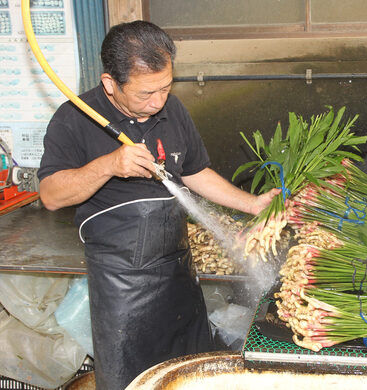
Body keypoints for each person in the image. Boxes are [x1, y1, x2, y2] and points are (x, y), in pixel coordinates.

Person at [37, 21, 280, 390]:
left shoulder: (172, 110)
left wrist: (252, 204)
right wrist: (108, 165)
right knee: (132, 381)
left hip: (178, 275)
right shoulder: (74, 119)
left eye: (166, 88)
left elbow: (195, 172)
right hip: (122, 289)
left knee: (190, 375)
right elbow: (51, 195)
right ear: (110, 84)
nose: (158, 101)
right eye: (146, 93)